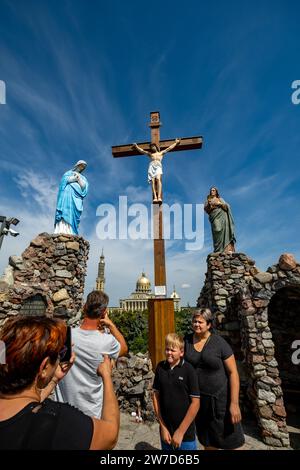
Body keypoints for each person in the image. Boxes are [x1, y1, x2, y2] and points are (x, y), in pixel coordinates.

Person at [0, 315, 119, 450]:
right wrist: (107, 376)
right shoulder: (56, 420)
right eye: (58, 355)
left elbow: (24, 408)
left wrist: (54, 379)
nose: (59, 359)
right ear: (44, 367)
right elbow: (111, 434)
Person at [56, 290, 128, 418]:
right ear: (104, 312)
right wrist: (111, 325)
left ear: (84, 307)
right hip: (91, 413)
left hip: (63, 410)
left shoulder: (65, 336)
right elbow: (124, 348)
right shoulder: (106, 341)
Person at [184, 308, 245, 450]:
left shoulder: (219, 343)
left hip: (220, 402)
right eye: (194, 321)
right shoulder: (186, 341)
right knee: (208, 442)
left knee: (229, 442)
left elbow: (233, 373)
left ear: (209, 324)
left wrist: (234, 403)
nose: (196, 324)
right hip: (199, 402)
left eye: (200, 322)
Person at [152, 333, 200, 451]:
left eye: (173, 350)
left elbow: (195, 403)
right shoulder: (160, 368)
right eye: (167, 349)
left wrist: (180, 432)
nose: (169, 353)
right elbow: (155, 396)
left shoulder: (189, 370)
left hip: (186, 434)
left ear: (181, 352)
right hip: (166, 432)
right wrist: (162, 426)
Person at [54, 160, 89, 235]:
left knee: (73, 213)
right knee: (65, 211)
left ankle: (71, 231)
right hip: (67, 195)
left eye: (83, 167)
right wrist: (73, 179)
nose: (82, 168)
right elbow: (64, 181)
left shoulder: (83, 178)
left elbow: (84, 187)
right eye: (81, 165)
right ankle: (62, 230)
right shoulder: (68, 173)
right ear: (77, 165)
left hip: (77, 198)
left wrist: (78, 179)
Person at [204, 187, 236, 253]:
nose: (212, 191)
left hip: (222, 215)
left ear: (216, 192)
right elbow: (206, 209)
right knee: (217, 229)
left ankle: (226, 249)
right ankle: (218, 249)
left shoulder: (220, 199)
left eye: (214, 190)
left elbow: (227, 207)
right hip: (214, 216)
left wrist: (219, 203)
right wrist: (210, 205)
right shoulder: (208, 200)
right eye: (211, 190)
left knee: (225, 230)